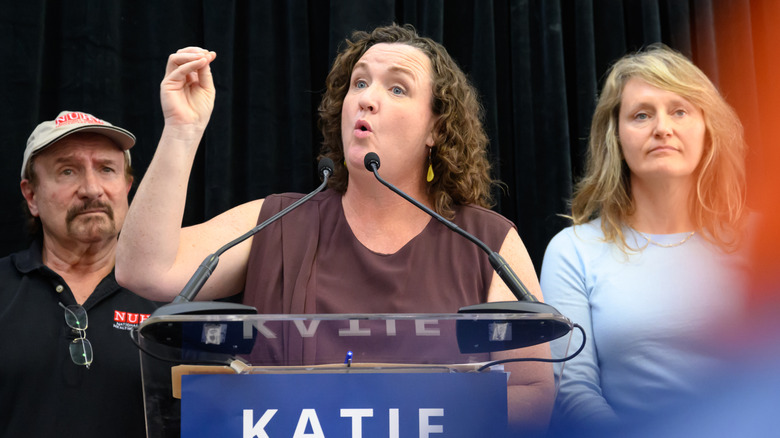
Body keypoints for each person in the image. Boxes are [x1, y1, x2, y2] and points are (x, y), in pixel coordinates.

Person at [115, 24, 555, 433]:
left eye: (397, 88)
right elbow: (144, 269)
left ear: (436, 129)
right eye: (359, 83)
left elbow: (534, 393)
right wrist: (183, 130)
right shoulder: (278, 221)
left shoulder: (487, 242)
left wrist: (398, 413)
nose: (367, 98)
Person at [540, 45, 752, 434]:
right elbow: (572, 391)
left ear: (708, 130)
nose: (662, 128)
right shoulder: (573, 250)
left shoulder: (764, 242)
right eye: (641, 114)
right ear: (615, 137)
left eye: (680, 111)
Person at [0, 111, 162, 436]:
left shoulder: (172, 295)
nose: (91, 189)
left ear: (127, 187)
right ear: (31, 196)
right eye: (68, 171)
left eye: (106, 169)